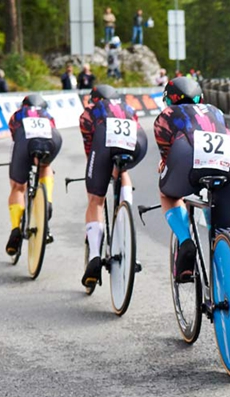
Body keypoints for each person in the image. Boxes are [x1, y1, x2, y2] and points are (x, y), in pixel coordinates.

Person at [153, 76, 230, 283]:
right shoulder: (215, 110)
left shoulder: (165, 115)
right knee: (225, 229)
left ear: (168, 100)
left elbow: (167, 160)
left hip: (188, 154)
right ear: (200, 98)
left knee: (168, 194)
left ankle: (186, 242)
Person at [78, 84, 149, 287]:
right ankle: (124, 212)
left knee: (95, 199)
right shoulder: (128, 108)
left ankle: (94, 255)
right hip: (138, 143)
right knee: (123, 170)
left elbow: (90, 153)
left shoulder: (88, 113)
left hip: (103, 142)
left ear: (94, 99)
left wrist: (97, 180)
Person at [4, 94, 63, 257]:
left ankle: (15, 228)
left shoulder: (17, 115)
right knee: (45, 165)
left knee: (18, 186)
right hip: (53, 138)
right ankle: (47, 201)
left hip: (25, 140)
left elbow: (17, 141)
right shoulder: (48, 115)